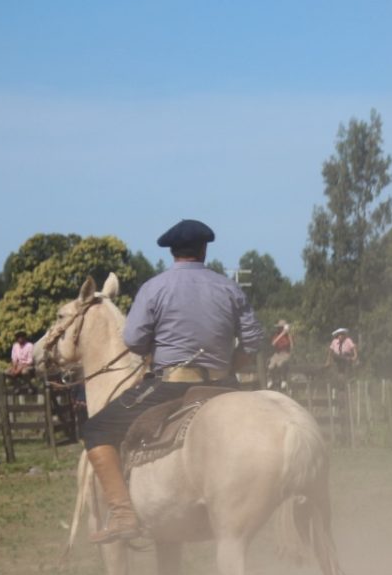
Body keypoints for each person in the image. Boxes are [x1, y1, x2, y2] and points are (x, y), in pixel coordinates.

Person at [79, 219, 263, 544]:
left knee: (95, 429)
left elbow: (133, 341)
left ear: (172, 252)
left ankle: (122, 513)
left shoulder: (154, 288)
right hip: (223, 388)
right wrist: (230, 366)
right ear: (205, 250)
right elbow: (252, 344)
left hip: (173, 386)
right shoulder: (230, 288)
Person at [267, 319, 294, 389]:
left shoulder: (289, 335)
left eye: (282, 327)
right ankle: (270, 380)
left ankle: (283, 380)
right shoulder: (277, 335)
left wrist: (288, 334)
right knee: (271, 365)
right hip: (277, 353)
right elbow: (273, 343)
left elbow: (291, 346)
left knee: (280, 364)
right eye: (279, 327)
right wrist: (282, 334)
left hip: (285, 353)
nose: (280, 329)